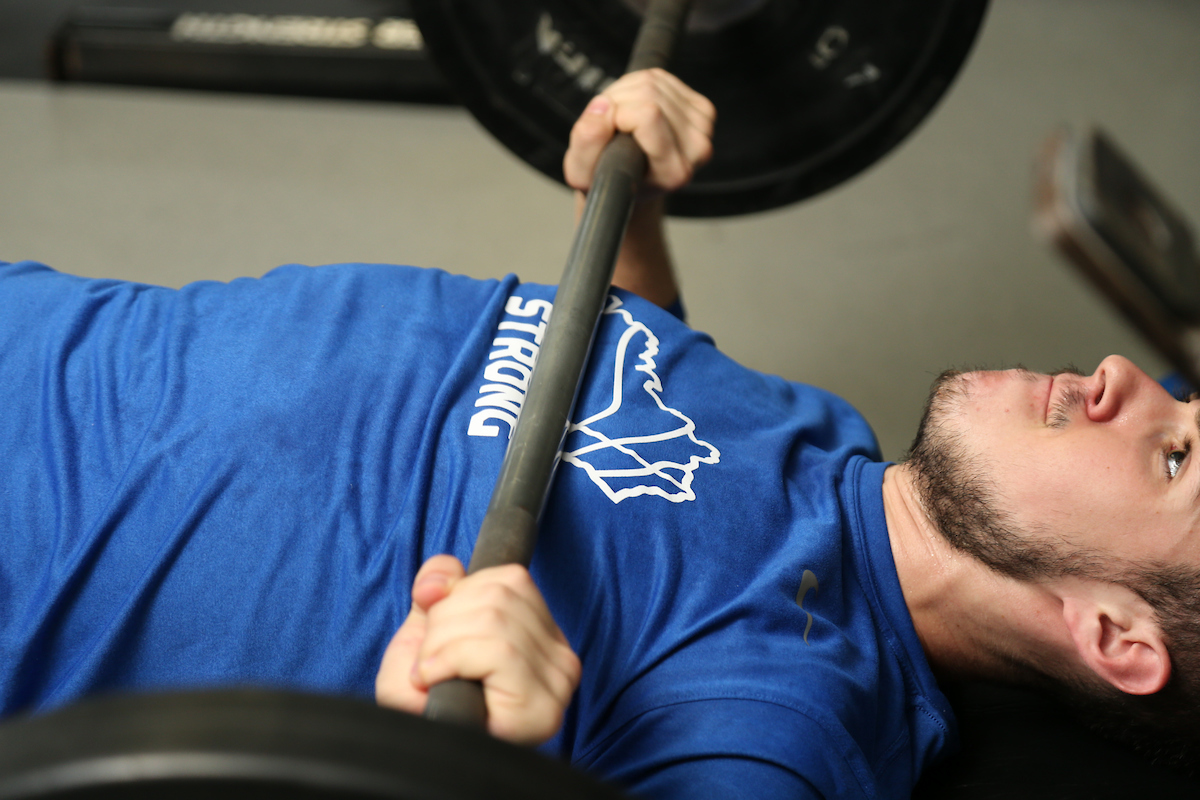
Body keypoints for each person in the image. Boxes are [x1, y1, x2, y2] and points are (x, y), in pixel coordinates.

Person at [0, 69, 1195, 798]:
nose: (1113, 377)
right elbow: (641, 419)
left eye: (1175, 455)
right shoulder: (833, 452)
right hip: (45, 325)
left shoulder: (783, 726)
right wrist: (629, 210)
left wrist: (482, 762)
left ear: (1113, 632)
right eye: (1171, 389)